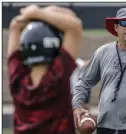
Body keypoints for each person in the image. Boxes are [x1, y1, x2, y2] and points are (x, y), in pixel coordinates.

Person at [7, 5, 82, 134]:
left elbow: (15, 25)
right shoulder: (59, 75)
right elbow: (74, 25)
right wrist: (38, 13)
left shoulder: (17, 79)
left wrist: (37, 14)